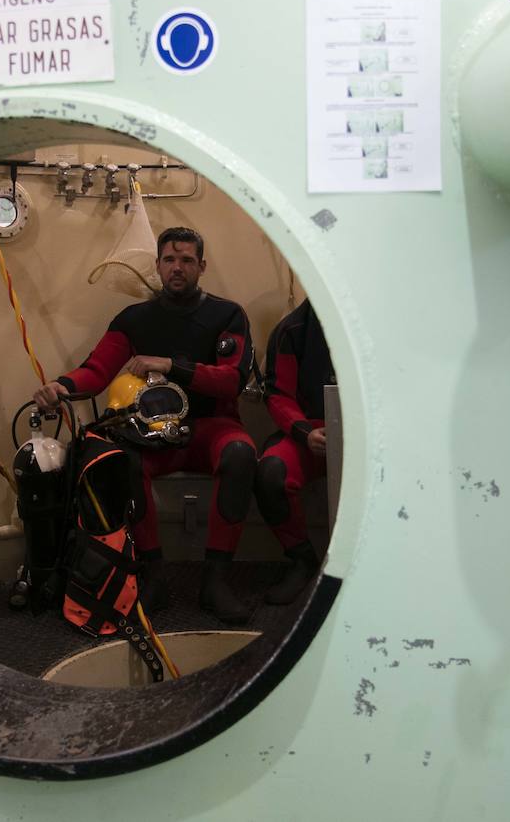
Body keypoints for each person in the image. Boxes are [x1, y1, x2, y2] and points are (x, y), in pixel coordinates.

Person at [34, 227, 257, 623]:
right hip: (152, 434)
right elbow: (97, 370)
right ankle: (153, 577)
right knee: (122, 459)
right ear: (157, 265)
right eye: (169, 259)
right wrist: (60, 386)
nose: (177, 267)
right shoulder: (135, 319)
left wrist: (171, 365)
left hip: (212, 427)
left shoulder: (228, 315)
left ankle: (216, 580)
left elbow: (232, 379)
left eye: (187, 260)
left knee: (241, 454)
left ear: (202, 266)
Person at [254, 298, 334, 605]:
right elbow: (278, 395)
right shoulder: (293, 329)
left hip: (366, 435)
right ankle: (303, 560)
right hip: (313, 432)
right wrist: (304, 432)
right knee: (271, 472)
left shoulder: (379, 324)